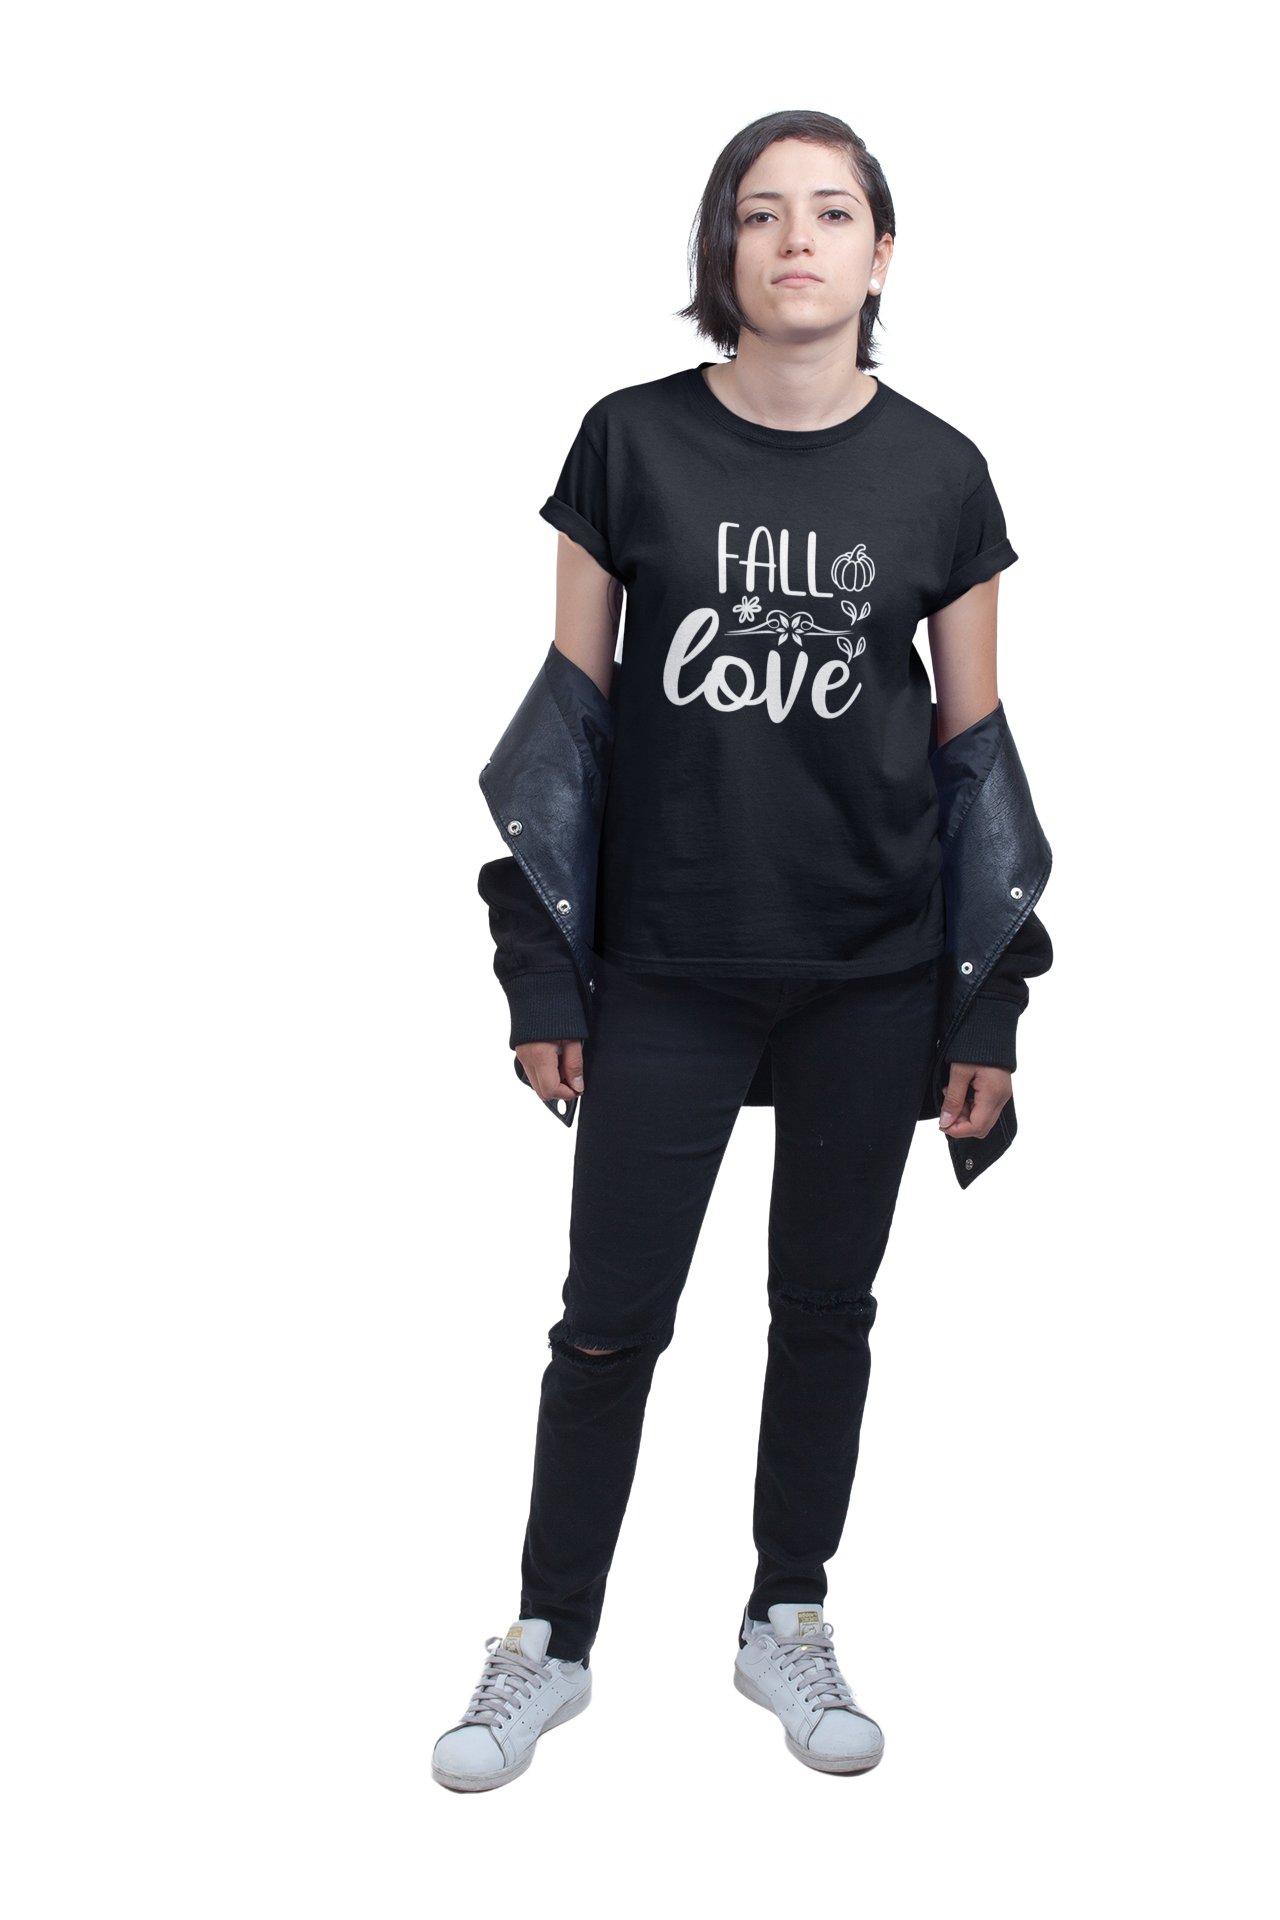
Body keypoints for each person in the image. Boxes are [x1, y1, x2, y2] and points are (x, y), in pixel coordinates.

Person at [432, 108, 1052, 1793]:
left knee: (826, 1311)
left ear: (881, 252)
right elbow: (566, 727)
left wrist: (987, 1004)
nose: (796, 241)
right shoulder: (628, 443)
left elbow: (975, 755)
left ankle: (787, 1612)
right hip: (666, 961)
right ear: (724, 248)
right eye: (762, 213)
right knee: (608, 1322)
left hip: (871, 967)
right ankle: (549, 1640)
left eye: (832, 212)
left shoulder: (941, 473)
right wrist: (542, 969)